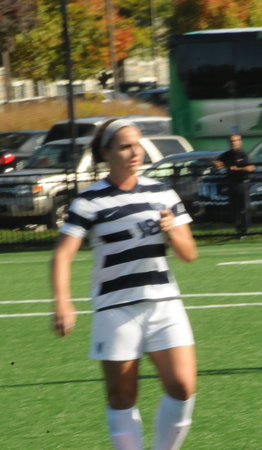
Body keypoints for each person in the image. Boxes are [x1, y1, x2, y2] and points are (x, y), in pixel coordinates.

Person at [51, 118, 198, 450]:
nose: (135, 152)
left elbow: (189, 254)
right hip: (116, 309)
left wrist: (172, 231)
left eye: (138, 144)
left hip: (164, 304)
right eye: (125, 146)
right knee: (122, 396)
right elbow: (62, 255)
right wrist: (62, 301)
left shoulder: (163, 192)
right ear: (106, 152)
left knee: (183, 386)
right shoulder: (88, 201)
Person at [214, 133, 255, 238]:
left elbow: (251, 168)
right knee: (234, 208)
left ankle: (245, 230)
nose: (234, 143)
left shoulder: (243, 154)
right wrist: (219, 164)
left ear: (240, 142)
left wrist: (237, 169)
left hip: (242, 183)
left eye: (236, 141)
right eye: (232, 141)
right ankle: (238, 229)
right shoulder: (227, 155)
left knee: (244, 207)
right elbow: (217, 162)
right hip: (232, 183)